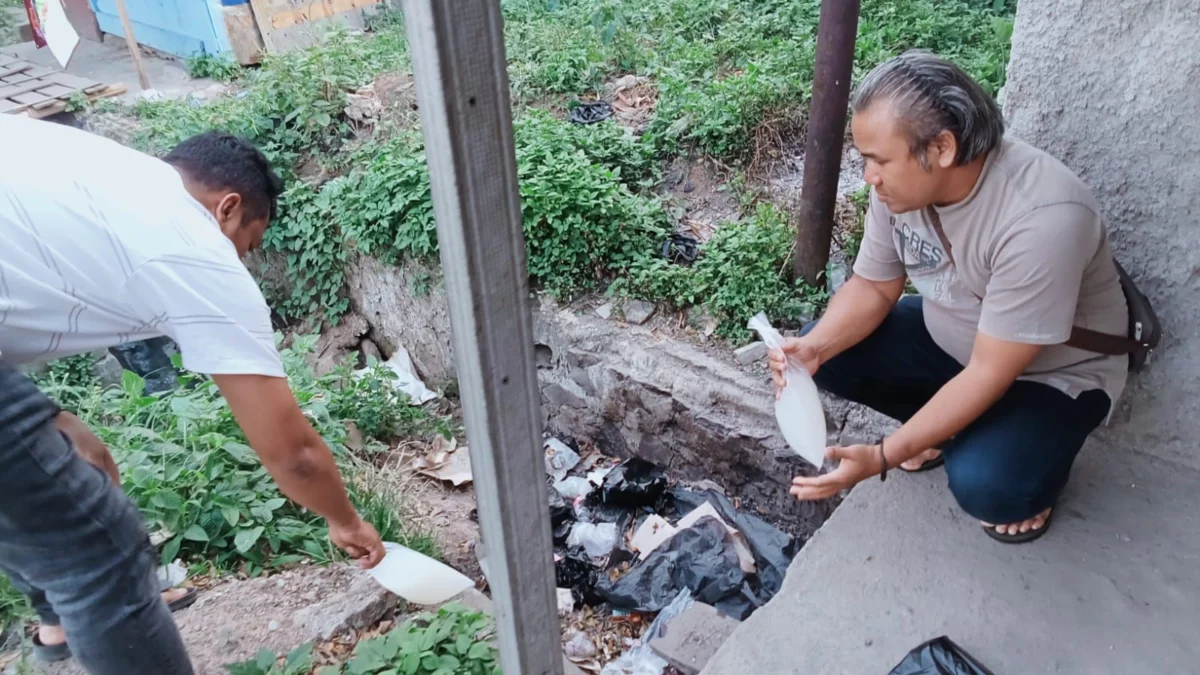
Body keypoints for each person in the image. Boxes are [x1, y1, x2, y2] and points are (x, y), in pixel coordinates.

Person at [0, 116, 386, 674]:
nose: (240, 261)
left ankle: (56, 617)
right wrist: (346, 521)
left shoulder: (112, 173)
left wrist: (54, 419)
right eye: (246, 245)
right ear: (227, 207)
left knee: (61, 471)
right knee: (101, 548)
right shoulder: (194, 247)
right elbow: (294, 454)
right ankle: (84, 600)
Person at [770, 51, 1128, 544]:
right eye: (864, 160)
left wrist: (883, 455)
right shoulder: (898, 191)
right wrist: (815, 350)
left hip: (1052, 374)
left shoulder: (1042, 218)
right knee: (824, 351)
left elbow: (989, 371)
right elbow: (874, 286)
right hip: (960, 340)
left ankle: (1013, 463)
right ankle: (947, 431)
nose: (869, 177)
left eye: (879, 160)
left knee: (989, 486)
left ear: (941, 147)